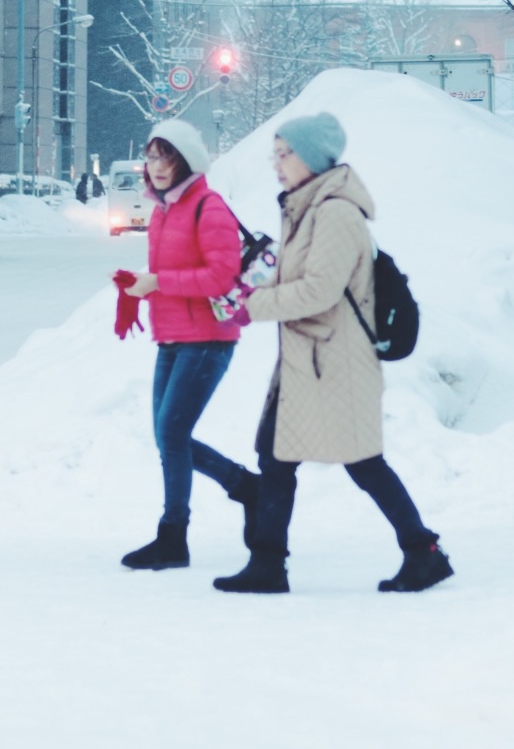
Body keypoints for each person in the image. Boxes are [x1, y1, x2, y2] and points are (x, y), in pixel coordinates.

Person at [214, 112, 453, 596]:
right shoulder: (306, 209)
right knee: (276, 458)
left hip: (335, 363)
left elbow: (321, 291)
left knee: (363, 463)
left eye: (285, 154)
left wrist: (252, 306)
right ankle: (268, 564)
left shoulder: (336, 213)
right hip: (309, 362)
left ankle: (422, 551)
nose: (277, 164)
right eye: (274, 154)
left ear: (313, 158)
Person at [116, 119, 260, 571]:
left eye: (167, 157)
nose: (156, 166)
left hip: (209, 339)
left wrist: (157, 282)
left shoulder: (208, 207)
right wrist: (140, 287)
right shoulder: (163, 211)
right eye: (152, 156)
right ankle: (247, 489)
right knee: (167, 436)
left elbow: (221, 277)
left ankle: (175, 535)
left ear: (187, 161)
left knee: (173, 434)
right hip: (173, 337)